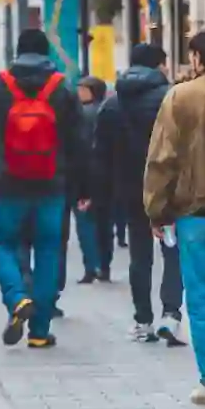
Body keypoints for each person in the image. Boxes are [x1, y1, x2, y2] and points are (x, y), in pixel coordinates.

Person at [0, 28, 89, 350]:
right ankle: (39, 330)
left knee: (3, 243)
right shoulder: (61, 88)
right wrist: (82, 186)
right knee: (49, 250)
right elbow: (79, 141)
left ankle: (16, 297)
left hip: (9, 184)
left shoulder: (1, 85)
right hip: (52, 184)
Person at [144, 30, 205, 406]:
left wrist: (157, 209)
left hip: (196, 214)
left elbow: (162, 159)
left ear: (198, 58)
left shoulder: (180, 97)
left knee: (203, 297)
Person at [99, 42, 184, 344]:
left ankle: (142, 319)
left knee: (139, 254)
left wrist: (106, 191)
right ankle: (171, 315)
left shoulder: (111, 104)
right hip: (168, 188)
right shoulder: (170, 98)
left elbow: (102, 153)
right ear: (159, 65)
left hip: (130, 189)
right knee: (172, 249)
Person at [75, 76, 113, 285]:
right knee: (104, 223)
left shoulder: (83, 115)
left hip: (87, 175)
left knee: (86, 223)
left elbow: (80, 150)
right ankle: (104, 265)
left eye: (83, 89)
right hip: (106, 175)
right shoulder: (107, 111)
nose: (79, 92)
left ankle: (92, 266)